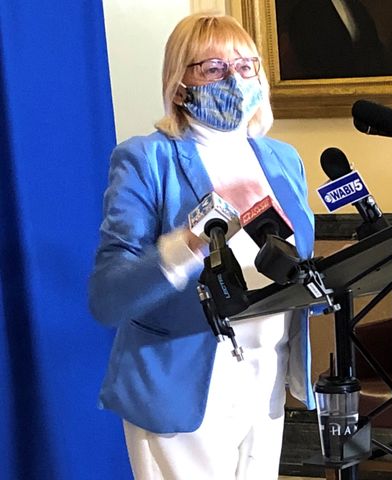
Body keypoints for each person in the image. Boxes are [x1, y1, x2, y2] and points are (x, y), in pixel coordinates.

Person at [88, 14, 316, 479]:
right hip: (184, 379)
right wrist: (186, 246)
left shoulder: (282, 159)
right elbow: (108, 297)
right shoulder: (146, 159)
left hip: (267, 370)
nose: (234, 78)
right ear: (179, 85)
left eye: (245, 66)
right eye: (213, 68)